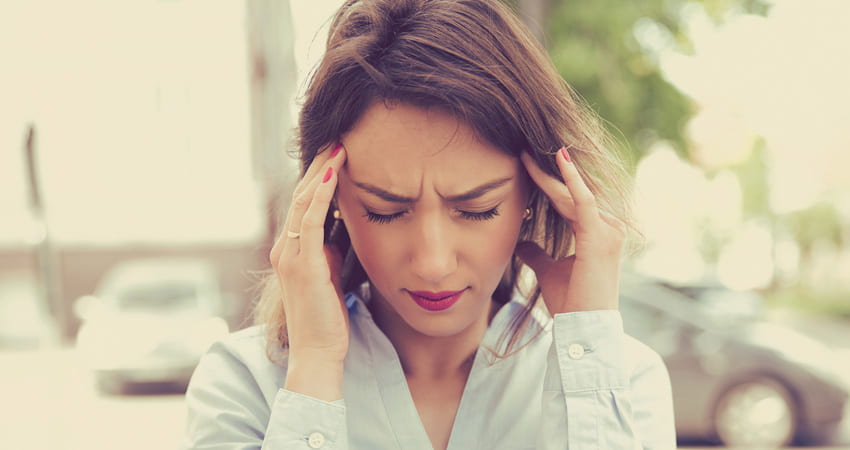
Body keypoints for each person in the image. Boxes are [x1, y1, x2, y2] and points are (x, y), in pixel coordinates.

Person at [184, 0, 676, 448]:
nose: (434, 264)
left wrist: (586, 357)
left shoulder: (623, 382)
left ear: (537, 192)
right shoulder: (245, 383)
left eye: (477, 208)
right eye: (386, 210)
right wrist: (312, 368)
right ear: (327, 200)